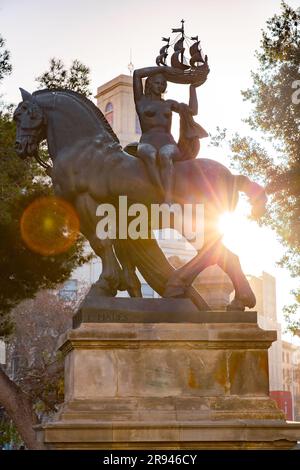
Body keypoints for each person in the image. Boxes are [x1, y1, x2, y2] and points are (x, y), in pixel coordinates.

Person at [133, 66, 208, 203]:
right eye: (157, 82)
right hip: (147, 142)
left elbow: (192, 110)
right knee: (149, 154)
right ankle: (160, 192)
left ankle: (167, 199)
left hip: (168, 143)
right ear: (149, 84)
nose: (160, 86)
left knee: (165, 155)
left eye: (163, 83)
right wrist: (163, 70)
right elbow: (137, 74)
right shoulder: (141, 101)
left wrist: (192, 88)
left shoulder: (169, 104)